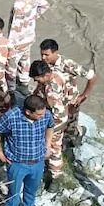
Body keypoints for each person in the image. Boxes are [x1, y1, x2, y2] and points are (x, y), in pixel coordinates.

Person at [0, 95, 53, 206]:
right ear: (28, 112)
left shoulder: (46, 114)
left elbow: (50, 126)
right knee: (13, 190)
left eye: (43, 113)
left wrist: (48, 146)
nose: (43, 116)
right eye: (39, 114)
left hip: (38, 162)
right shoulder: (11, 117)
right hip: (17, 163)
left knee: (32, 188)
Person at [28, 60, 77, 191]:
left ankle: (55, 177)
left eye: (36, 79)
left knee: (54, 148)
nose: (35, 81)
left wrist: (48, 129)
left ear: (44, 75)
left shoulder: (52, 92)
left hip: (55, 123)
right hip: (54, 111)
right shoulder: (55, 74)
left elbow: (59, 116)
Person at [39, 38, 98, 145]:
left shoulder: (68, 64)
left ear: (55, 52)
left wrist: (84, 95)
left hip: (70, 101)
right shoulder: (45, 65)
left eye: (46, 55)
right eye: (42, 54)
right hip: (54, 100)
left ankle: (72, 141)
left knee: (70, 128)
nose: (43, 58)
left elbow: (92, 77)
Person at [6, 0, 50, 94]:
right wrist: (33, 17)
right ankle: (24, 84)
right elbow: (45, 5)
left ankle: (11, 91)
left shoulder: (18, 6)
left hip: (18, 42)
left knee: (11, 66)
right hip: (29, 38)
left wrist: (9, 45)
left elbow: (15, 28)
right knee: (25, 61)